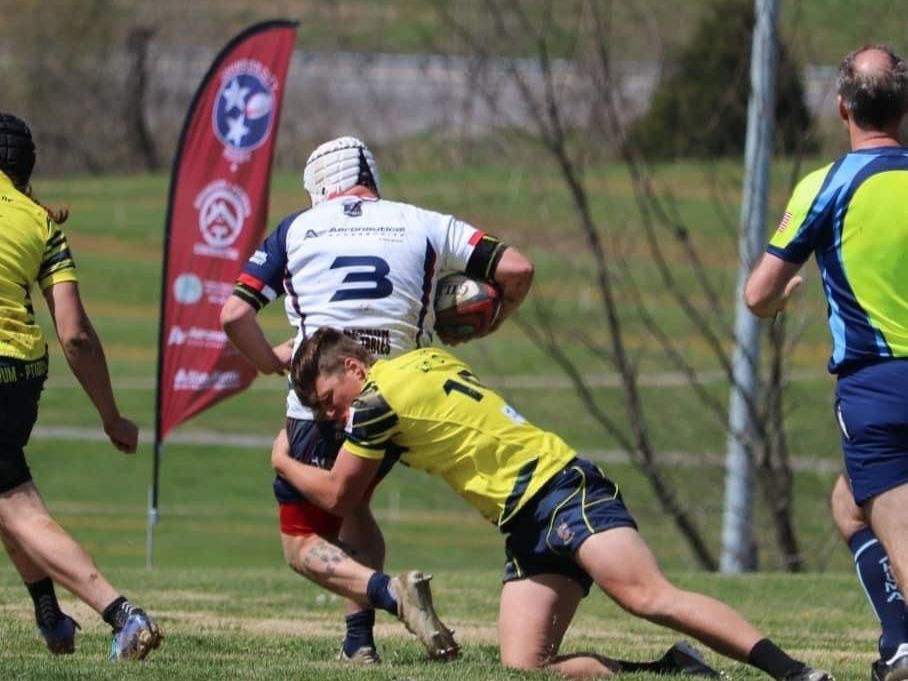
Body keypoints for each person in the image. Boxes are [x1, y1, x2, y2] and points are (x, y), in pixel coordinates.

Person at [271, 326, 832, 680]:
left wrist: (284, 461)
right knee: (525, 666)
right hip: (524, 521)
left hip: (561, 492)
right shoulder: (424, 360)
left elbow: (339, 493)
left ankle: (795, 672)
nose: (331, 416)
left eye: (328, 401)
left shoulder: (374, 404)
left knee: (648, 596)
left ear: (353, 368)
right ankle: (672, 669)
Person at [220, 135, 534, 662]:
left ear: (319, 187)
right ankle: (358, 645)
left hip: (322, 405)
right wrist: (488, 323)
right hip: (399, 397)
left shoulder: (297, 228)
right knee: (355, 507)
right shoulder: (424, 221)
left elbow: (234, 314)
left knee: (301, 545)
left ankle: (394, 594)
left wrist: (269, 364)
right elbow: (517, 270)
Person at [744, 44, 908, 681]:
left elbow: (758, 294)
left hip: (878, 389)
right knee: (849, 503)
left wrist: (780, 299)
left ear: (842, 107)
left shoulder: (826, 184)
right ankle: (897, 645)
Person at [0, 112, 162, 660]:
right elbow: (76, 337)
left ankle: (121, 613)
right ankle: (51, 618)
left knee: (16, 506)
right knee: (6, 497)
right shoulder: (39, 224)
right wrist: (111, 416)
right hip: (19, 374)